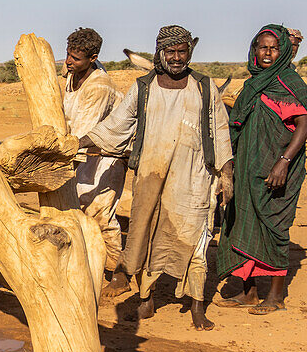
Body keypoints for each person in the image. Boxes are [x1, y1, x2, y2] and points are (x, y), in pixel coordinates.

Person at [81, 25, 233, 330]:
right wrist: (77, 142)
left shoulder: (204, 87)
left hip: (193, 178)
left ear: (190, 52)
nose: (177, 58)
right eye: (171, 52)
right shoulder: (143, 87)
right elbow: (116, 126)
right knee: (145, 234)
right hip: (151, 175)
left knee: (196, 238)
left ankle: (197, 306)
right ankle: (146, 298)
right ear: (159, 53)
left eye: (183, 51)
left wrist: (226, 175)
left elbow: (219, 131)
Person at [216, 25, 307, 314]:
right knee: (244, 223)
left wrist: (283, 161)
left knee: (273, 228)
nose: (268, 52)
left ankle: (275, 297)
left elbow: (304, 124)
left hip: (276, 170)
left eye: (274, 47)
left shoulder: (289, 83)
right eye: (262, 46)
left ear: (283, 50)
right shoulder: (252, 85)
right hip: (248, 169)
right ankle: (248, 293)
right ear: (254, 49)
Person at [61, 28, 128, 290]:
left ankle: (118, 271)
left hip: (107, 155)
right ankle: (90, 264)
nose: (68, 61)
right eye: (67, 54)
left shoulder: (100, 87)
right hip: (83, 152)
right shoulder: (71, 75)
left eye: (75, 58)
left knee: (101, 213)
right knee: (79, 207)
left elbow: (83, 132)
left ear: (93, 57)